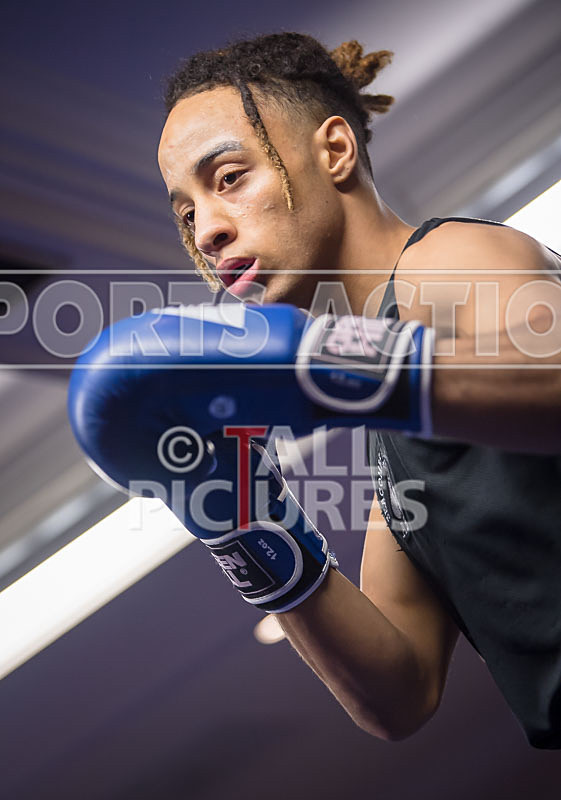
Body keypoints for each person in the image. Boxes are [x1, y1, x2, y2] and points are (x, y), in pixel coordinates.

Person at [73, 32, 561, 749]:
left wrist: (315, 362)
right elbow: (400, 691)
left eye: (229, 177)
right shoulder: (390, 442)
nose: (206, 230)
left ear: (333, 151)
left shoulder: (446, 260)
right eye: (185, 214)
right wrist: (235, 514)